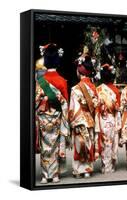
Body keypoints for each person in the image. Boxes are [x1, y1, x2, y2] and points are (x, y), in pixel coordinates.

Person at [35, 43, 69, 183]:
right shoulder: (62, 81)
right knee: (54, 145)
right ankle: (54, 175)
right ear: (57, 61)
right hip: (56, 119)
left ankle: (44, 175)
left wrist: (44, 99)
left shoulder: (40, 81)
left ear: (45, 61)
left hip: (43, 119)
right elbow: (65, 102)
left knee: (45, 146)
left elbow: (36, 101)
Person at [69, 55, 98, 178]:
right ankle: (87, 170)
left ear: (79, 72)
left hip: (79, 119)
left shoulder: (76, 89)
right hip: (90, 119)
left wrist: (73, 121)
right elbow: (96, 104)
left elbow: (73, 107)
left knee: (79, 145)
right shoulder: (93, 88)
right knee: (88, 143)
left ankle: (78, 170)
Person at [95, 64, 121, 173]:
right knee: (111, 142)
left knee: (103, 142)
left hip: (101, 118)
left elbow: (95, 106)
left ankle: (104, 165)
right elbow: (118, 108)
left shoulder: (98, 89)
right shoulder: (115, 90)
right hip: (112, 118)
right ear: (112, 76)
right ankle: (110, 166)